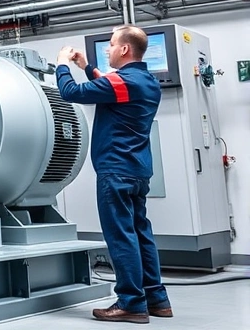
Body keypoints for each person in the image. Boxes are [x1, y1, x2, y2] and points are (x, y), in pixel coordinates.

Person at [55, 25, 171, 325]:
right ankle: (157, 299)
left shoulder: (122, 82)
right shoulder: (146, 80)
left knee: (121, 237)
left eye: (110, 44)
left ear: (123, 49)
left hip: (115, 170)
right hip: (137, 171)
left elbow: (71, 93)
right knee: (141, 234)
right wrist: (87, 67)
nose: (107, 49)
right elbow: (111, 86)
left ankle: (131, 303)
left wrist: (62, 64)